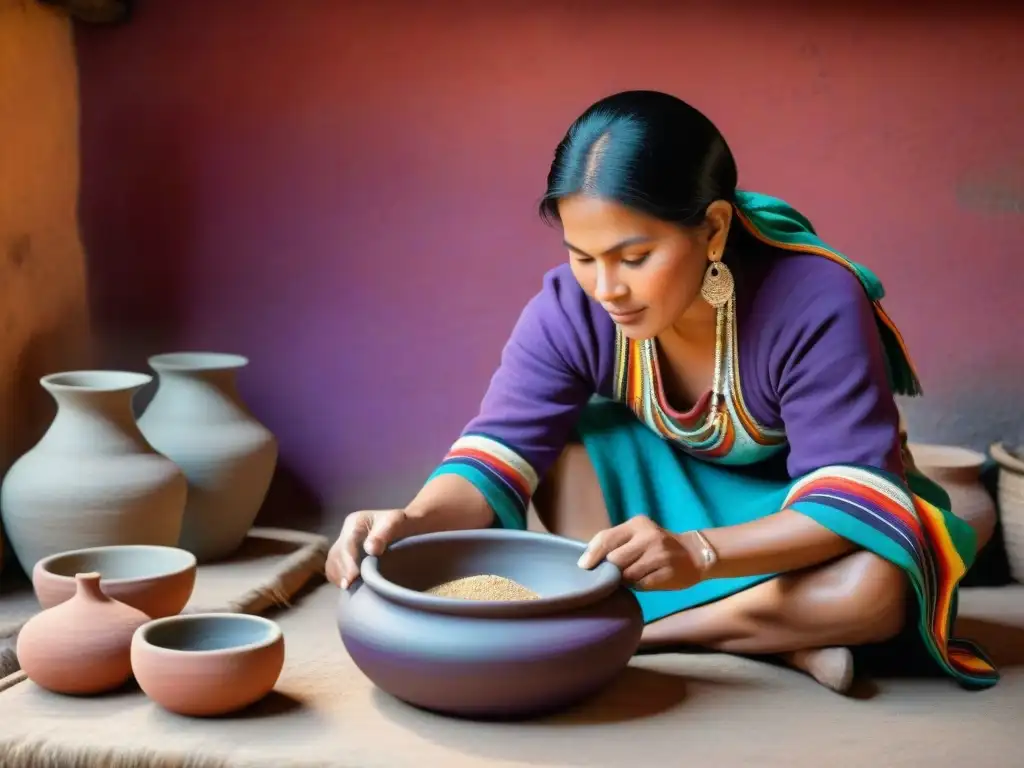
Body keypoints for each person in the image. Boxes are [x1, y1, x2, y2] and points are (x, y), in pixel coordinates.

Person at [325, 90, 997, 694]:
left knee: (875, 591)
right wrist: (411, 521)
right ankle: (779, 642)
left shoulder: (814, 299)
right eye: (581, 256)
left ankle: (642, 635)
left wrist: (699, 554)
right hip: (655, 515)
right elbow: (496, 451)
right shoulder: (573, 305)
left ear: (713, 229)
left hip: (785, 524)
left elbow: (851, 492)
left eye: (634, 256)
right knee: (569, 447)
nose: (606, 288)